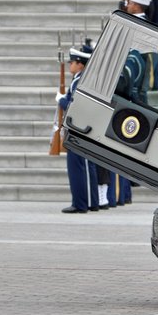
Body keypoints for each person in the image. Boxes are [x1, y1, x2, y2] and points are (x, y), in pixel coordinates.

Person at [56, 40, 99, 214]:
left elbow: (75, 105)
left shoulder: (80, 81)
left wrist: (61, 100)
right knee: (84, 167)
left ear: (80, 64)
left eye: (72, 63)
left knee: (78, 167)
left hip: (79, 127)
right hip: (82, 127)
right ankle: (90, 202)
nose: (70, 66)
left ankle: (80, 203)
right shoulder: (80, 79)